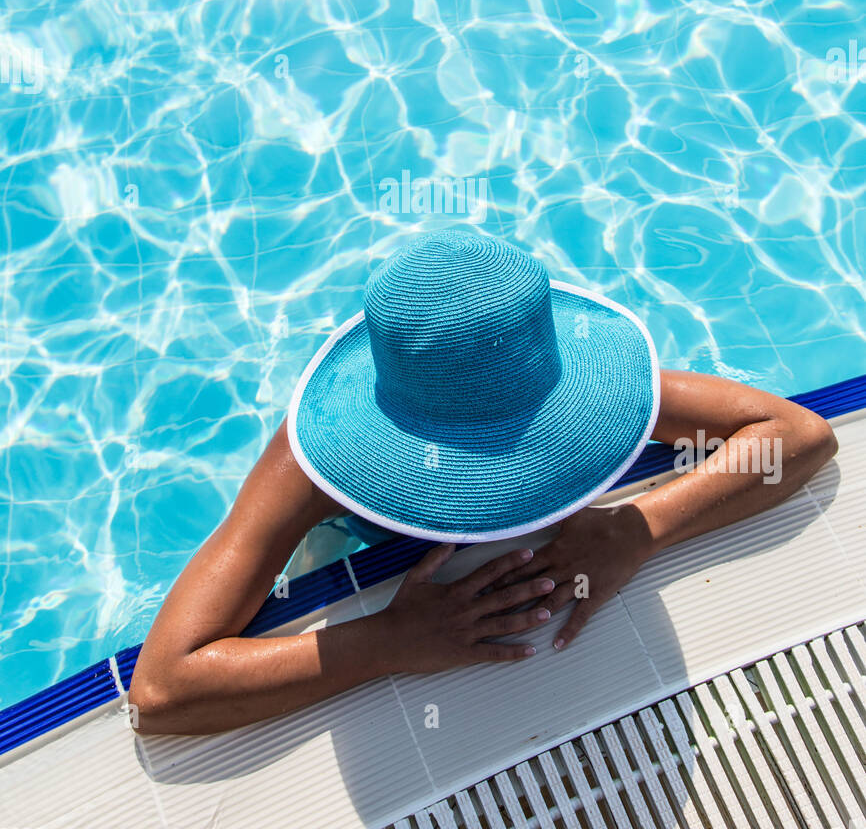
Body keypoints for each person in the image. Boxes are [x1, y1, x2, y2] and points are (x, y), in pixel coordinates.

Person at [129, 229, 837, 736]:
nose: (504, 476)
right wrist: (386, 643)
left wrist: (639, 527)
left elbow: (798, 437)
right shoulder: (312, 458)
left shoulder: (567, 382)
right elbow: (164, 687)